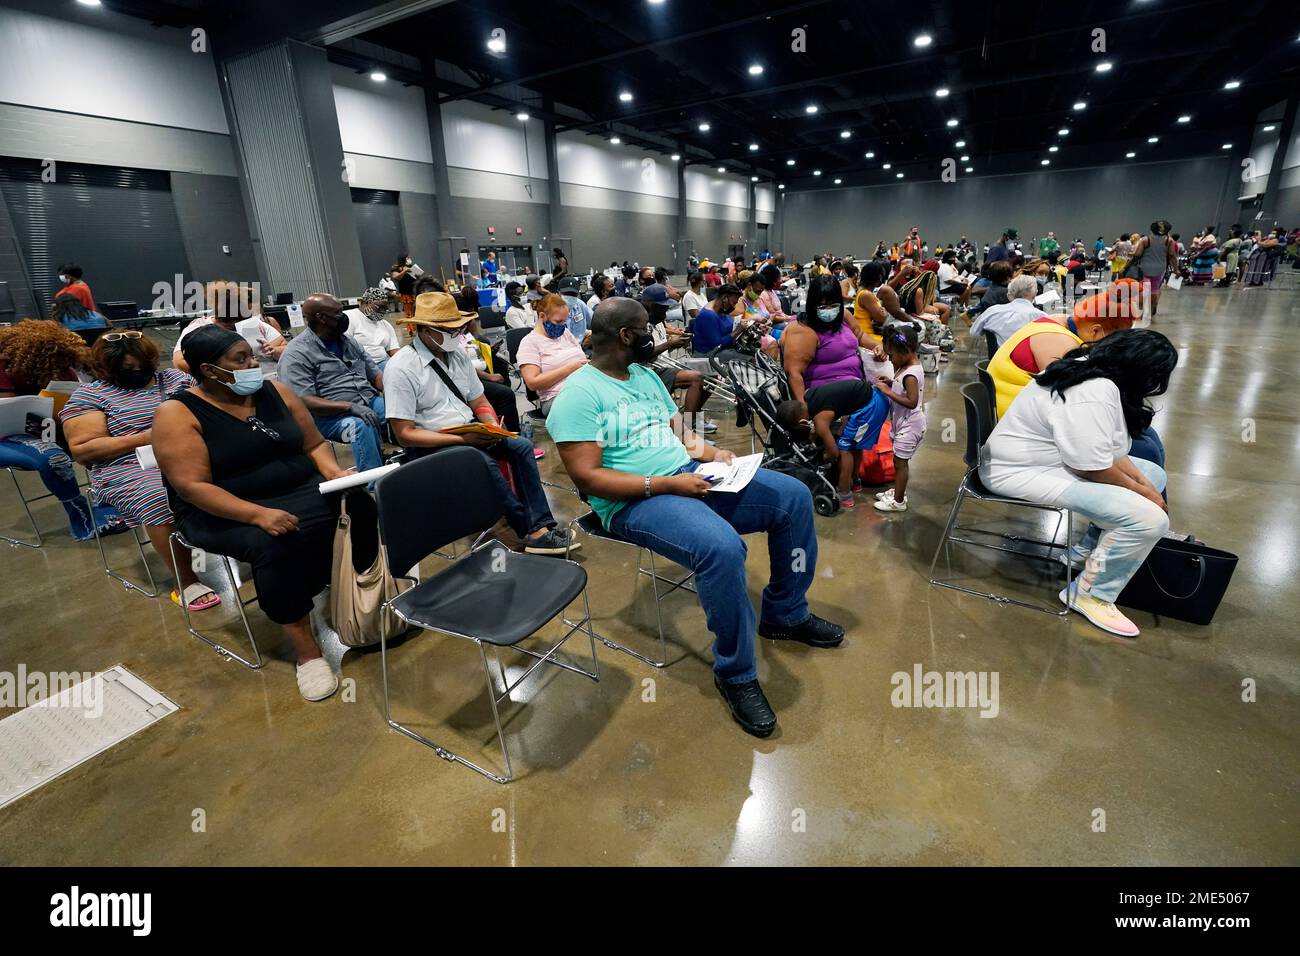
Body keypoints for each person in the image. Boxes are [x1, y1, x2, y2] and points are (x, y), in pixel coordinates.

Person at [549, 297, 843, 737]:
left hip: (686, 476)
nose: (659, 334)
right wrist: (667, 485)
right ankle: (736, 673)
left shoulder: (644, 376)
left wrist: (714, 455)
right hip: (635, 500)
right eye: (649, 327)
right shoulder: (578, 394)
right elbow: (589, 479)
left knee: (794, 497)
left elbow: (680, 435)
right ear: (627, 335)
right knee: (722, 548)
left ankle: (786, 614)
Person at [153, 326, 355, 699]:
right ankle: (308, 654)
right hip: (223, 509)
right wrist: (256, 514)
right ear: (210, 370)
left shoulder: (275, 391)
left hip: (298, 489)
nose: (253, 364)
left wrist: (335, 474)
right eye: (240, 359)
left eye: (251, 356)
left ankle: (360, 609)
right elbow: (192, 487)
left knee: (359, 504)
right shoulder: (177, 413)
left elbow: (313, 444)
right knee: (273, 542)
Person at [980, 330, 1178, 638]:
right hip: (1018, 471)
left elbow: (1109, 451)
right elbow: (1090, 468)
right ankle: (1090, 592)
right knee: (1151, 520)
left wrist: (1146, 486)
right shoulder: (1093, 389)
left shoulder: (1091, 369)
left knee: (1153, 475)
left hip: (1044, 462)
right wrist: (1145, 496)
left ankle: (1086, 552)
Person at [383, 292, 574, 555]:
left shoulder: (458, 357)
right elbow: (405, 434)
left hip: (470, 430)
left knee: (521, 447)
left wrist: (492, 427)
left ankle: (540, 523)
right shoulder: (401, 368)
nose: (457, 333)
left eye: (457, 327)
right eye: (448, 330)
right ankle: (528, 531)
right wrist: (463, 440)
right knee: (481, 463)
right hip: (432, 442)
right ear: (425, 330)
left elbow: (480, 401)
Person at [60, 330, 222, 608]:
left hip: (190, 452)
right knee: (158, 496)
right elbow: (83, 450)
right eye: (127, 369)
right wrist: (150, 435)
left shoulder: (174, 379)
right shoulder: (91, 396)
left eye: (142, 365)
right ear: (105, 368)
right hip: (128, 466)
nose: (137, 372)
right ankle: (186, 580)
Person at [1, 321, 119, 542]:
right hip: (7, 433)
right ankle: (82, 518)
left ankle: (109, 501)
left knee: (99, 442)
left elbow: (75, 402)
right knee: (53, 457)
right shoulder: (4, 366)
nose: (60, 369)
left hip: (47, 425)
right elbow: (5, 407)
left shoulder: (62, 367)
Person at [782, 277, 884, 499]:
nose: (829, 310)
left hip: (856, 388)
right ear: (812, 305)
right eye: (823, 306)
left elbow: (860, 336)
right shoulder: (803, 330)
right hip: (828, 394)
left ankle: (853, 473)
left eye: (833, 304)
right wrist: (804, 409)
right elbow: (795, 374)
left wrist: (877, 346)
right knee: (851, 428)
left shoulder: (844, 316)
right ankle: (842, 476)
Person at [277, 293, 387, 474]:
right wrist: (348, 406)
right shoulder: (296, 354)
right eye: (338, 313)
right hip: (327, 418)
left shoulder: (349, 342)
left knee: (399, 410)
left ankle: (416, 461)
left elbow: (375, 375)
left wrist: (396, 393)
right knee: (360, 425)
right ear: (321, 318)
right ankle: (375, 482)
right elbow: (302, 401)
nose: (343, 317)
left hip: (368, 401)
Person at [638, 284, 714, 433]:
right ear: (650, 305)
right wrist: (669, 343)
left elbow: (661, 350)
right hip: (649, 371)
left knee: (711, 375)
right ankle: (685, 430)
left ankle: (693, 420)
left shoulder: (658, 321)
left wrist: (677, 343)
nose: (665, 312)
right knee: (695, 378)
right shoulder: (641, 325)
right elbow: (642, 356)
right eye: (663, 308)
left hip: (663, 365)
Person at [174, 281, 285, 376]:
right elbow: (179, 362)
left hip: (268, 377)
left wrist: (274, 350)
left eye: (240, 321)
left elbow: (285, 347)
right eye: (229, 324)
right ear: (218, 317)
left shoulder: (254, 323)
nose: (236, 326)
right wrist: (221, 369)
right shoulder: (197, 328)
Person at [871, 326, 927, 513]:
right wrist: (890, 382)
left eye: (892, 355)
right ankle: (898, 491)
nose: (891, 359)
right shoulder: (907, 366)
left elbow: (911, 402)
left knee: (900, 464)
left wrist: (887, 391)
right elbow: (900, 386)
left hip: (910, 426)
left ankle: (899, 502)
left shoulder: (911, 374)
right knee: (898, 461)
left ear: (905, 351)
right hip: (903, 423)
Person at [516, 297, 589, 417]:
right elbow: (533, 383)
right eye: (558, 321)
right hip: (556, 397)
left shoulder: (565, 333)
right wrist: (569, 369)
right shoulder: (529, 343)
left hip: (582, 388)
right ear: (542, 316)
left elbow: (581, 359)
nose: (562, 325)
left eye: (564, 321)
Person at [970, 274, 1048, 347]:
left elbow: (974, 332)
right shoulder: (1042, 317)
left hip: (1002, 357)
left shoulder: (993, 311)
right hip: (1030, 359)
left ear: (1008, 295)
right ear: (1034, 295)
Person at [1127, 220, 1177, 317]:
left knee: (1144, 289)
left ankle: (1141, 311)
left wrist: (1131, 254)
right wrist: (1176, 269)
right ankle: (1151, 310)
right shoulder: (1169, 241)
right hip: (1160, 269)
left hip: (1145, 268)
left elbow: (1138, 254)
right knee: (1154, 290)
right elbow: (1172, 255)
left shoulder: (1145, 240)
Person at [343, 287, 400, 371]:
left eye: (385, 308)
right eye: (379, 307)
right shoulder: (349, 318)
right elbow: (344, 347)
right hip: (358, 364)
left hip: (382, 363)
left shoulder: (385, 325)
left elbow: (393, 350)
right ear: (364, 303)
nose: (383, 311)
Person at [557, 276, 593, 344]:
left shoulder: (580, 304)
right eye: (566, 294)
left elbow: (594, 321)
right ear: (559, 293)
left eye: (573, 294)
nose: (570, 297)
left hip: (581, 347)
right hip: (561, 350)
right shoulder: (550, 310)